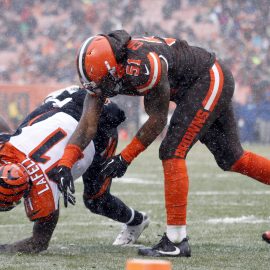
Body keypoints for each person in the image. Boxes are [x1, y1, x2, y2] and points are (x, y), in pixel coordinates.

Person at [53, 30, 270, 257]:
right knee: (232, 158)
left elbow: (157, 119)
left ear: (115, 68)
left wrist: (125, 157)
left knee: (171, 150)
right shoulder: (107, 73)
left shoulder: (142, 65)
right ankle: (176, 239)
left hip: (207, 78)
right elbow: (87, 125)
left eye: (100, 82)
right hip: (194, 86)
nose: (97, 89)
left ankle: (176, 240)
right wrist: (66, 163)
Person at [0, 85, 149, 253]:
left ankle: (136, 220)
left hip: (99, 125)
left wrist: (4, 249)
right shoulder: (6, 146)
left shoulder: (45, 192)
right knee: (18, 132)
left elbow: (38, 243)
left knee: (96, 200)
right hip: (63, 103)